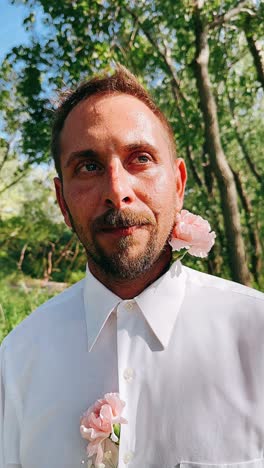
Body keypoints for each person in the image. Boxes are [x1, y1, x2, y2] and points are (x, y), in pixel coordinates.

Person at [0, 65, 263, 468]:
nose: (117, 192)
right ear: (61, 202)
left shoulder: (255, 333)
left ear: (177, 185)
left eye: (140, 158)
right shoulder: (17, 359)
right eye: (87, 166)